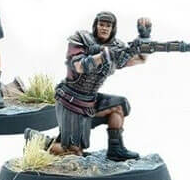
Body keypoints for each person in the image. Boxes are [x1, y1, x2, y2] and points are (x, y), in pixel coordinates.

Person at [46, 12, 148, 160]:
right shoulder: (81, 40)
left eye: (108, 25)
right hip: (71, 101)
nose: (104, 28)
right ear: (96, 25)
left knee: (119, 105)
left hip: (91, 100)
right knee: (74, 154)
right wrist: (103, 56)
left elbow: (140, 59)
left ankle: (116, 150)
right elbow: (79, 66)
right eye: (101, 24)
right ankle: (41, 141)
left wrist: (144, 38)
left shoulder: (116, 47)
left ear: (113, 28)